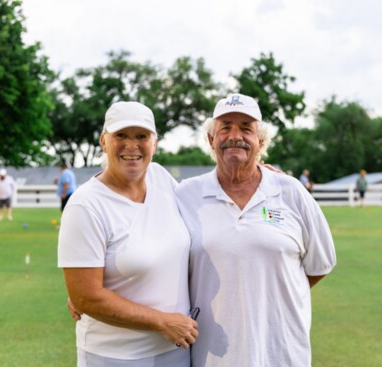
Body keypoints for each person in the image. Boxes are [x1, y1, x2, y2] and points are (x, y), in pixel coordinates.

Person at [175, 93, 337, 367]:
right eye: (225, 127)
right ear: (211, 139)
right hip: (212, 357)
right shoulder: (184, 195)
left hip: (283, 355)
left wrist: (272, 288)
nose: (234, 135)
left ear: (261, 141)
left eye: (246, 128)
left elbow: (319, 265)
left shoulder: (292, 192)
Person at [58, 101, 197, 367]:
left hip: (176, 351)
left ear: (154, 143)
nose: (131, 145)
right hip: (116, 357)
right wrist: (161, 321)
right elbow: (86, 296)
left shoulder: (161, 178)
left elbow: (208, 198)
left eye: (141, 136)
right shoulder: (85, 205)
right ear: (103, 141)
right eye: (121, 135)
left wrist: (260, 174)